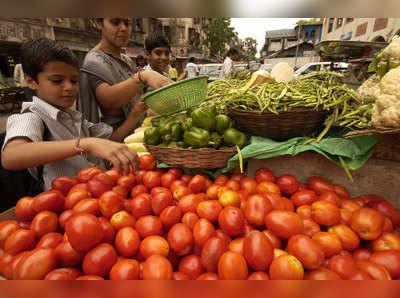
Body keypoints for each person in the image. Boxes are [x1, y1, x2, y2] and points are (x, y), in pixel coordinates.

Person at [1, 38, 141, 191]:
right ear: (31, 81)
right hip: (62, 205)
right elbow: (11, 156)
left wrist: (137, 112)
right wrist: (85, 144)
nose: (68, 87)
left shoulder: (74, 117)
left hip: (91, 197)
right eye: (57, 81)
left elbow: (111, 139)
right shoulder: (31, 116)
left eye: (74, 81)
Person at [78, 18, 172, 129]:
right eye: (115, 22)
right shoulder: (94, 61)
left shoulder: (126, 60)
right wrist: (143, 76)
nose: (123, 28)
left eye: (127, 23)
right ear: (98, 23)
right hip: (112, 142)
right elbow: (109, 100)